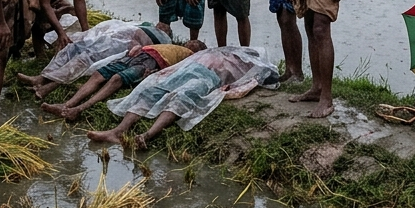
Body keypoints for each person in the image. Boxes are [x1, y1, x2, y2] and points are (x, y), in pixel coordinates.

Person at [86, 46, 278, 149]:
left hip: (207, 78)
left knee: (182, 96)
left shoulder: (244, 66)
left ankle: (147, 135)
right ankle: (118, 131)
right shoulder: (210, 52)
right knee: (150, 91)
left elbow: (249, 83)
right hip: (184, 70)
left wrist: (230, 89)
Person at [43, 40, 206, 121]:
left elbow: (178, 71)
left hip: (151, 63)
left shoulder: (190, 56)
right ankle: (66, 105)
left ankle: (79, 109)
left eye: (195, 44)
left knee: (116, 78)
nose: (190, 42)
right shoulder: (169, 45)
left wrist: (155, 73)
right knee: (98, 75)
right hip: (141, 55)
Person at [17, 20, 172, 100]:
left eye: (162, 27)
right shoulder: (145, 27)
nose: (160, 26)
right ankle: (42, 80)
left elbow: (138, 51)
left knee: (84, 61)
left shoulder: (158, 42)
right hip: (112, 40)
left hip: (118, 48)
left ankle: (44, 84)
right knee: (76, 50)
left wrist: (132, 49)